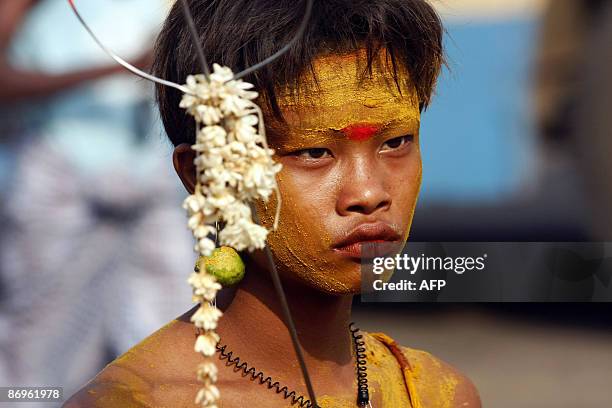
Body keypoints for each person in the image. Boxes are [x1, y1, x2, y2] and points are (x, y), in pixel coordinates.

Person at [65, 0, 481, 406]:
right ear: (206, 175)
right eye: (313, 152)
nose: (369, 194)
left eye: (395, 142)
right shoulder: (136, 400)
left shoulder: (437, 394)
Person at [0, 0, 193, 399]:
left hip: (154, 173)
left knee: (170, 315)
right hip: (60, 173)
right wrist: (125, 66)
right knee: (43, 329)